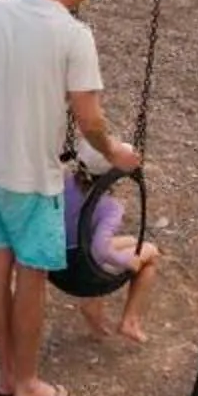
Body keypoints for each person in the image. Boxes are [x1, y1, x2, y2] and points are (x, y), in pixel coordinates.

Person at [0, 0, 141, 396]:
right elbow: (90, 120)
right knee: (32, 274)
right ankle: (28, 385)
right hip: (26, 174)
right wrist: (115, 153)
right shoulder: (74, 36)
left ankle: (5, 372)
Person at [66, 137, 163, 345]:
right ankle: (130, 320)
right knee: (151, 253)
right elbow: (100, 250)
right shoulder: (109, 207)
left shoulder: (63, 185)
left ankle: (93, 304)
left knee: (129, 240)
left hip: (58, 261)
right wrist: (124, 261)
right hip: (81, 270)